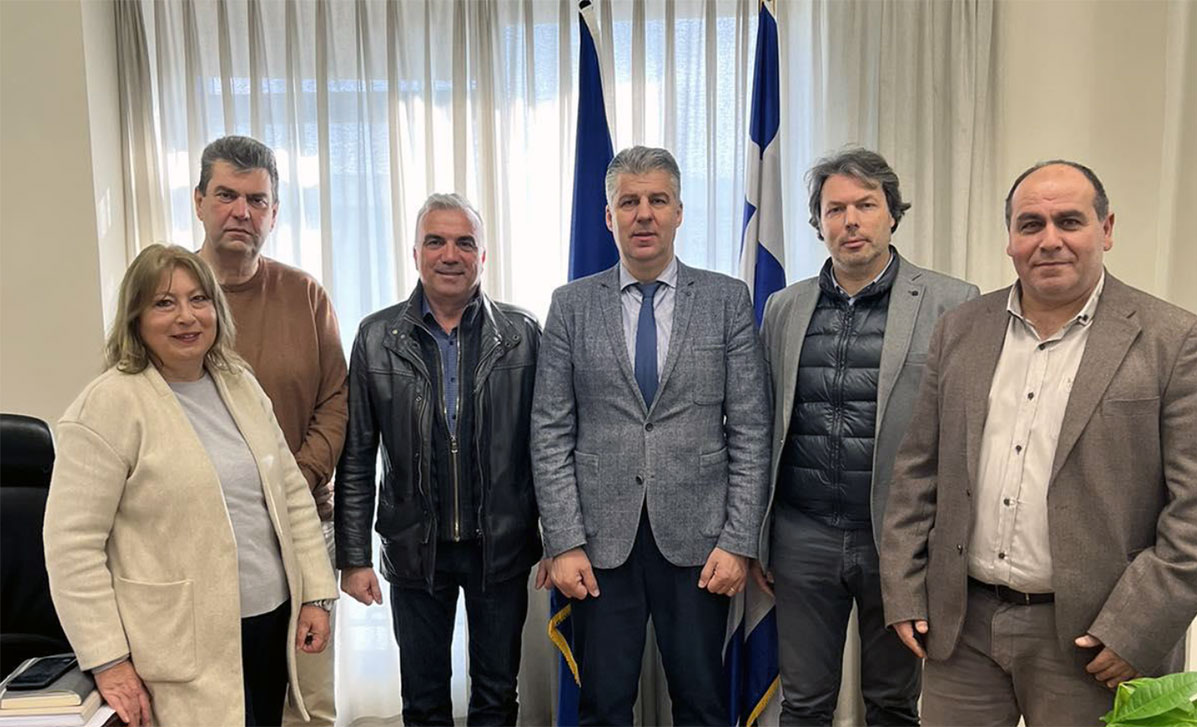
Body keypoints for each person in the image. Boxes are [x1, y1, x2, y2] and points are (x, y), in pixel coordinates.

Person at [880, 160, 1197, 726]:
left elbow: (1193, 511)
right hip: (961, 630)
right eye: (1030, 224)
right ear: (1010, 239)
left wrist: (1137, 627)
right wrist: (904, 591)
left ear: (1106, 229)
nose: (1049, 240)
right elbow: (917, 470)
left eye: (1069, 221)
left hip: (1097, 640)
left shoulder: (1173, 340)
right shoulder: (960, 328)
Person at [44, 244, 337, 727]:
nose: (186, 316)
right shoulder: (108, 405)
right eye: (164, 303)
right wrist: (108, 659)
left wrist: (315, 595)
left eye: (199, 299)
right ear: (136, 318)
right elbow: (71, 547)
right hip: (179, 642)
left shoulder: (238, 383)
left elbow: (290, 497)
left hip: (269, 623)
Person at [532, 146, 771, 726]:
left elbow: (750, 429)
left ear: (679, 212)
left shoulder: (726, 301)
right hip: (598, 544)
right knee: (603, 706)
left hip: (701, 543)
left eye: (658, 200)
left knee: (702, 704)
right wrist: (564, 541)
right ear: (608, 216)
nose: (644, 214)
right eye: (629, 202)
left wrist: (739, 540)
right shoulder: (570, 306)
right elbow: (549, 431)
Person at [754, 148, 978, 725]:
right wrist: (761, 536)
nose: (850, 221)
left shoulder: (953, 303)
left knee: (893, 702)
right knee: (803, 703)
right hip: (803, 536)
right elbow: (764, 424)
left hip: (898, 541)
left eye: (865, 205)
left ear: (892, 214)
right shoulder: (783, 307)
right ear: (819, 223)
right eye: (835, 209)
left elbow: (963, 436)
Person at [336, 193, 545, 726]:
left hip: (501, 546)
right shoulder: (376, 338)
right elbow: (357, 456)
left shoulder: (522, 335)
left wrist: (558, 539)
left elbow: (546, 446)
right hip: (414, 547)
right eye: (436, 242)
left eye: (464, 243)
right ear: (415, 254)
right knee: (423, 701)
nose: (450, 255)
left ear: (483, 256)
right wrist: (354, 557)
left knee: (496, 697)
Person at [194, 135, 348, 727]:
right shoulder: (172, 300)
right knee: (219, 701)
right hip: (205, 533)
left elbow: (336, 401)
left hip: (306, 525)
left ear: (274, 213)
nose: (242, 211)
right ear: (199, 201)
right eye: (226, 195)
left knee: (309, 702)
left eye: (257, 200)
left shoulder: (304, 295)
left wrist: (292, 480)